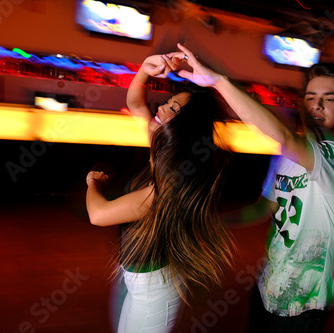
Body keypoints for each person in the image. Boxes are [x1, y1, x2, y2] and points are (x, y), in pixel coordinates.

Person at [175, 43, 334, 332]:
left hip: (304, 305)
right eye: (310, 97)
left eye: (329, 99)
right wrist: (213, 221)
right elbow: (264, 208)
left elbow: (285, 136)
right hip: (267, 289)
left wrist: (219, 81)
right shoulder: (286, 155)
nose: (317, 106)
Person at [86, 53, 234, 333]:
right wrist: (144, 69)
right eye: (167, 102)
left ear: (186, 128)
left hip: (154, 288)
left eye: (174, 109)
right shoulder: (161, 145)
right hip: (137, 276)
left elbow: (98, 214)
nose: (163, 108)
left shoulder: (171, 181)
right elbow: (135, 103)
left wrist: (93, 183)